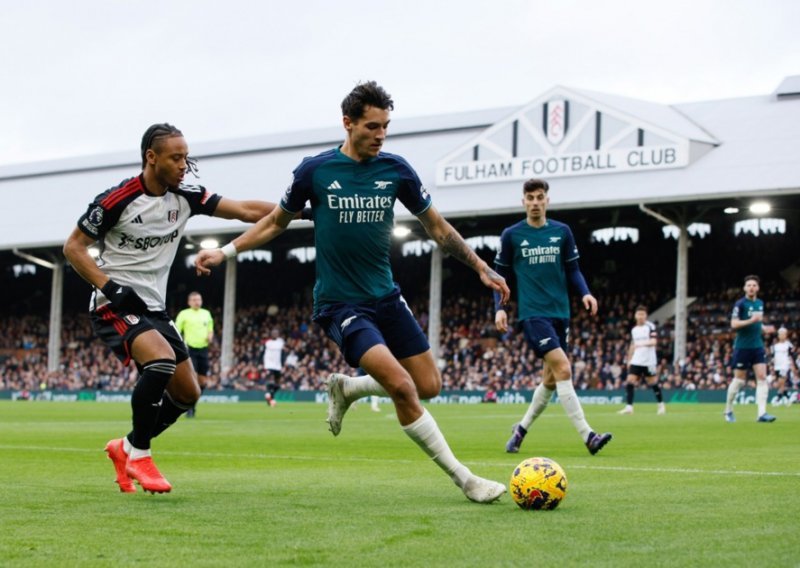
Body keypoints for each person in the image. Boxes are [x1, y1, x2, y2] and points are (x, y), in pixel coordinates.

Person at [196, 81, 509, 504]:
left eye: (386, 127)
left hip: (387, 297)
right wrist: (227, 251)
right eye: (372, 126)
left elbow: (437, 227)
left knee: (428, 384)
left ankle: (350, 388)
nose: (381, 135)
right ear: (348, 123)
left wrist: (480, 267)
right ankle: (466, 479)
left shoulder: (396, 170)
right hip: (341, 304)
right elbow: (275, 222)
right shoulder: (315, 171)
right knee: (401, 386)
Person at [63, 123, 290, 494]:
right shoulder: (116, 199)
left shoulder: (187, 195)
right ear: (151, 158)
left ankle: (125, 446)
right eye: (176, 157)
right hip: (114, 303)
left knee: (188, 393)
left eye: (186, 156)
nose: (185, 164)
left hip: (153, 307)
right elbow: (73, 247)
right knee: (161, 361)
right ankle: (140, 454)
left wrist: (298, 211)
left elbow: (246, 210)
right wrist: (110, 287)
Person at [494, 178, 612, 455]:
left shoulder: (562, 232)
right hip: (533, 315)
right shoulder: (512, 235)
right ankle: (588, 436)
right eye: (530, 198)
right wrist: (499, 308)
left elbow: (573, 269)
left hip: (561, 313)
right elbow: (499, 277)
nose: (535, 203)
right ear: (523, 201)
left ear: (547, 199)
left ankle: (520, 430)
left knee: (550, 379)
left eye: (539, 197)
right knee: (564, 369)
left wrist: (585, 292)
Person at [723, 275, 776, 423]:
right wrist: (751, 320)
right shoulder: (740, 304)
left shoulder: (760, 303)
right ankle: (728, 410)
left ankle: (762, 413)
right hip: (742, 347)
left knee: (762, 378)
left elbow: (757, 325)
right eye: (749, 285)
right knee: (739, 381)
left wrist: (765, 328)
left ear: (758, 288)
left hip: (757, 346)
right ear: (744, 288)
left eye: (754, 285)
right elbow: (733, 324)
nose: (751, 287)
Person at [618, 305, 666, 415]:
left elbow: (654, 342)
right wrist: (629, 360)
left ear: (646, 316)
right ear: (635, 316)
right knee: (630, 380)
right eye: (639, 314)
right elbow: (632, 345)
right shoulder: (634, 330)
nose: (640, 317)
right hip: (637, 360)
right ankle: (629, 407)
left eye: (642, 314)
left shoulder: (650, 326)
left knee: (652, 382)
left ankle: (661, 404)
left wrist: (641, 344)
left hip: (649, 361)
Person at [175, 291, 214, 418]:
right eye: (194, 300)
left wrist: (210, 336)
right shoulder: (184, 314)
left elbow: (210, 329)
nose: (197, 302)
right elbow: (176, 330)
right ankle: (189, 407)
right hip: (189, 349)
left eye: (199, 299)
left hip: (203, 349)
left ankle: (192, 404)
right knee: (192, 379)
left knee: (203, 381)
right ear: (189, 302)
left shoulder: (206, 314)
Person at [770, 327, 796, 405]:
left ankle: (777, 400)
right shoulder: (775, 346)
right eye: (780, 334)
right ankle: (788, 398)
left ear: (786, 335)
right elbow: (773, 357)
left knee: (781, 382)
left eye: (783, 334)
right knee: (780, 384)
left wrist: (792, 365)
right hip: (777, 366)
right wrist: (772, 364)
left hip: (784, 366)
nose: (782, 336)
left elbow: (792, 355)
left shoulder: (788, 345)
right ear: (778, 335)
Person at [262, 328, 285, 406]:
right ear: (271, 334)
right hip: (268, 365)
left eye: (277, 333)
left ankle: (270, 396)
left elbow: (283, 353)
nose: (275, 334)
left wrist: (283, 364)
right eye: (274, 333)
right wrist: (260, 363)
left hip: (277, 366)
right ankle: (270, 396)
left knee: (278, 384)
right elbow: (262, 353)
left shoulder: (280, 342)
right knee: (270, 381)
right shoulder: (267, 343)